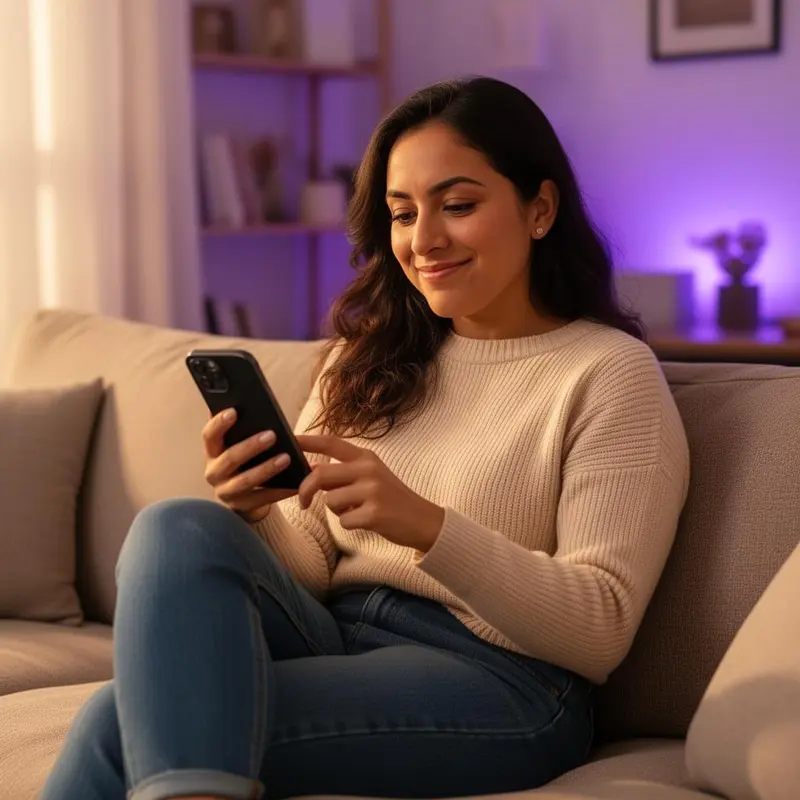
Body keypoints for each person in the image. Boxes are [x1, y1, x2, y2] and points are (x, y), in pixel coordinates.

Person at [42, 76, 690, 800]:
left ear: (539, 209)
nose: (425, 239)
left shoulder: (608, 374)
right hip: (336, 632)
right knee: (178, 526)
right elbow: (313, 565)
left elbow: (599, 629)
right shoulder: (371, 358)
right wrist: (259, 508)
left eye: (459, 205)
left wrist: (423, 524)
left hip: (504, 682)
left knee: (111, 723)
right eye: (402, 213)